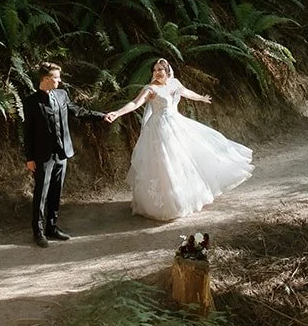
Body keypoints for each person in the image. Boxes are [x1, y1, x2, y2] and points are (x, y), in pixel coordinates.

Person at [104, 58, 253, 221]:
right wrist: (117, 113)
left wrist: (201, 98)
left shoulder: (174, 83)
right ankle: (167, 203)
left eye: (160, 69)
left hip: (176, 124)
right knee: (164, 163)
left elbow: (186, 92)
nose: (157, 72)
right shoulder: (150, 89)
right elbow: (135, 103)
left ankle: (184, 197)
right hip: (159, 129)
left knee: (183, 159)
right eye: (154, 70)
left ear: (167, 70)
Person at [22, 61, 107, 247]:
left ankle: (52, 227)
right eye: (56, 78)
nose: (59, 81)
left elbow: (77, 111)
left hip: (62, 153)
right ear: (46, 79)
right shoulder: (31, 102)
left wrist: (101, 116)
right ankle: (38, 231)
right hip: (42, 156)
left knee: (56, 191)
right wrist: (29, 158)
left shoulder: (62, 95)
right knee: (41, 193)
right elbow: (27, 132)